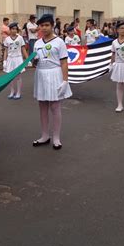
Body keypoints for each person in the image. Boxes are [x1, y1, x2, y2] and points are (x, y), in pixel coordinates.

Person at [32, 14, 72, 150]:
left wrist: (65, 80)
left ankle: (56, 137)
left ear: (52, 25)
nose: (43, 28)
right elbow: (34, 61)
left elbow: (64, 62)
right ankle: (44, 135)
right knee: (42, 107)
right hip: (41, 75)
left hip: (55, 74)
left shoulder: (59, 42)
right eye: (41, 25)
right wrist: (34, 61)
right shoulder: (37, 43)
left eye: (46, 25)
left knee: (55, 107)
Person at [3, 22, 28, 99]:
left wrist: (27, 59)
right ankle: (12, 91)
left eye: (15, 29)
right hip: (10, 59)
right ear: (10, 30)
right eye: (12, 29)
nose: (14, 30)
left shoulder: (20, 38)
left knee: (18, 76)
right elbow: (6, 51)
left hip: (18, 58)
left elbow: (23, 49)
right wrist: (4, 61)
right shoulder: (7, 39)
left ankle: (18, 92)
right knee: (10, 76)